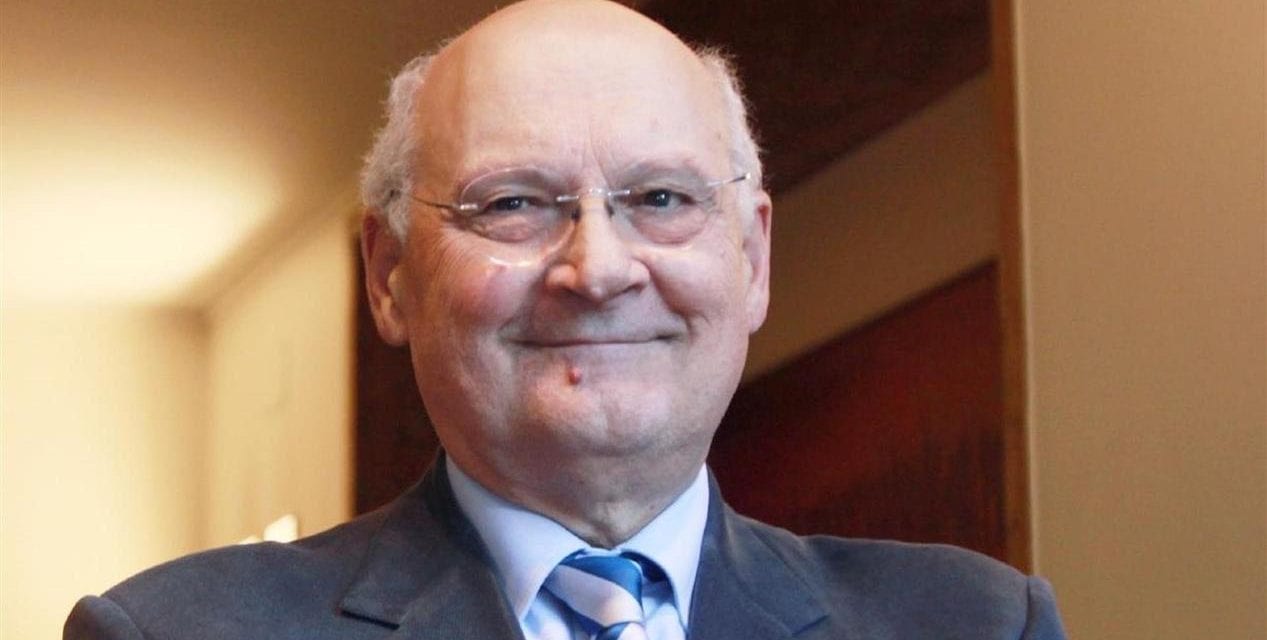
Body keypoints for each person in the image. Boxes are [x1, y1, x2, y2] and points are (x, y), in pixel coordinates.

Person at [65, 1, 1066, 638]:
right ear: (390, 275)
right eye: (512, 203)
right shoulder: (174, 633)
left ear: (752, 259)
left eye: (661, 198)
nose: (598, 269)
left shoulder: (976, 625)